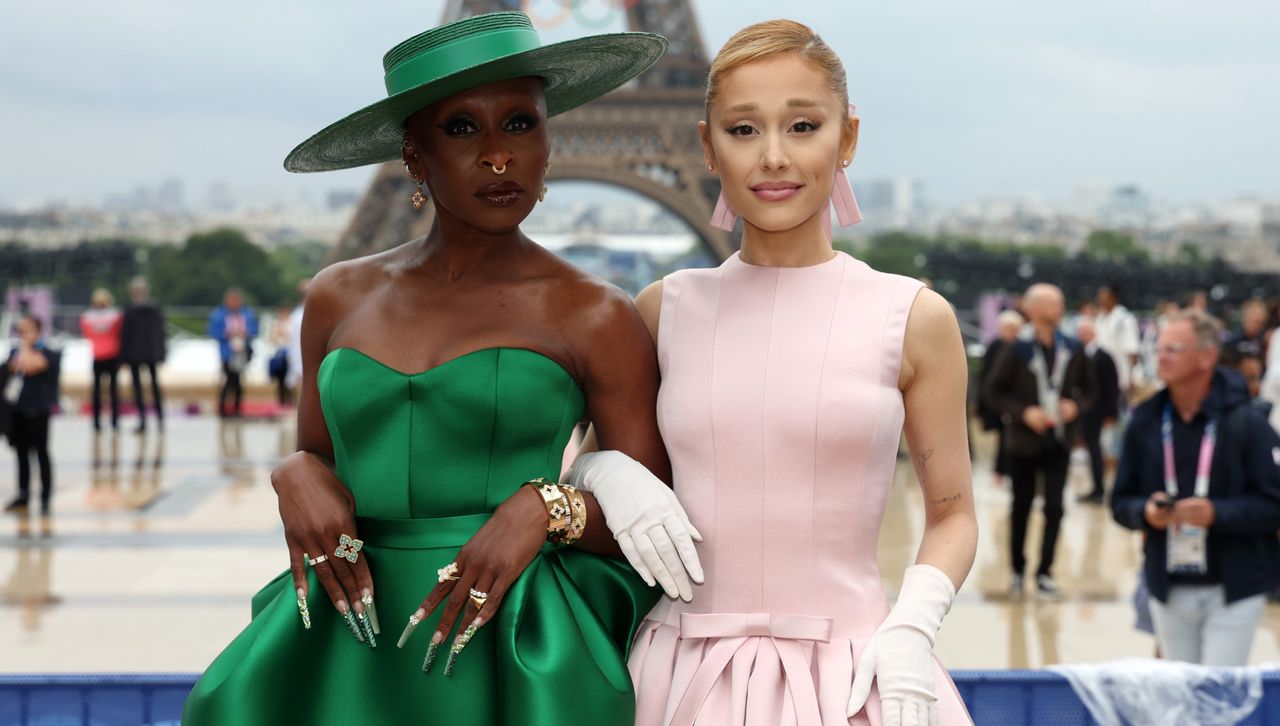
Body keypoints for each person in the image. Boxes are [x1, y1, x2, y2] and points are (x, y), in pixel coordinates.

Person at [183, 12, 674, 725]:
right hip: (344, 640)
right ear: (414, 154)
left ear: (549, 136)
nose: (500, 156)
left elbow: (652, 520)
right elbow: (318, 459)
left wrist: (546, 508)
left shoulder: (594, 313)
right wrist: (292, 473)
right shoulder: (334, 295)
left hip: (510, 641)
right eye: (463, 129)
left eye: (520, 123)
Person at [602, 20, 976, 724]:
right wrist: (600, 471)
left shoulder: (916, 318)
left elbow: (953, 512)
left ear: (849, 138)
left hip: (859, 673)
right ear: (706, 146)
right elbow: (583, 475)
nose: (774, 156)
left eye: (802, 126)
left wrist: (912, 625)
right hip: (674, 677)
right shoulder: (662, 311)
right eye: (744, 131)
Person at [1111, 309, 1280, 666]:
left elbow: (1273, 504)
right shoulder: (1146, 421)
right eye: (1159, 348)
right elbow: (1120, 501)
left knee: (1217, 698)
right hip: (1168, 584)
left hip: (1234, 587)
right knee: (1180, 699)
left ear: (1206, 356)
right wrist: (1146, 511)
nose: (1161, 356)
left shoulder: (1248, 423)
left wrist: (1218, 513)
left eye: (1173, 349)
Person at [984, 283, 1095, 599]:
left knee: (1056, 508)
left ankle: (1045, 571)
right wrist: (1023, 412)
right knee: (1020, 506)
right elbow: (994, 391)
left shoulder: (1072, 347)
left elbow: (1090, 392)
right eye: (1050, 303)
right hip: (1023, 442)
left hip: (1059, 440)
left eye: (1060, 303)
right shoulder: (1017, 348)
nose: (1057, 308)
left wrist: (1076, 406)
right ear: (1031, 309)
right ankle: (1018, 570)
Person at [5, 315, 61, 514]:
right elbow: (14, 367)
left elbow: (31, 366)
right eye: (20, 331)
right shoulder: (15, 351)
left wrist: (26, 347)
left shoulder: (49, 353)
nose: (22, 335)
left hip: (39, 410)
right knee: (21, 453)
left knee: (41, 452)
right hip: (18, 409)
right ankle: (23, 494)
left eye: (26, 330)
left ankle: (45, 496)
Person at [1076, 316, 1121, 504]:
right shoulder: (1080, 354)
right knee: (1092, 448)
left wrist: (1112, 412)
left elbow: (1112, 386)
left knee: (1096, 449)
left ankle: (1099, 489)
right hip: (1085, 410)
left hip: (1099, 410)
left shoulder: (1103, 356)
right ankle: (1096, 487)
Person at [980, 310, 1025, 487]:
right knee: (1002, 438)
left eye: (1014, 328)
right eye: (1007, 328)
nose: (1010, 332)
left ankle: (1014, 473)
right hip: (999, 400)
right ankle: (999, 472)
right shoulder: (995, 346)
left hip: (1017, 401)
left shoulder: (1022, 348)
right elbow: (987, 376)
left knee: (1016, 440)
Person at [119, 276, 166, 433]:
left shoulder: (130, 310)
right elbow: (161, 332)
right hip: (151, 352)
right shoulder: (155, 309)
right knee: (154, 386)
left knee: (139, 388)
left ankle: (143, 420)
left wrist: (123, 356)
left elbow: (125, 335)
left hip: (135, 353)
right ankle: (160, 420)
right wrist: (161, 352)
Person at [207, 288, 258, 418]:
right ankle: (223, 409)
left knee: (238, 380)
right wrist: (227, 334)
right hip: (227, 352)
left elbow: (254, 330)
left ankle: (237, 408)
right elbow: (213, 332)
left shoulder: (247, 314)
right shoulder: (219, 314)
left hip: (241, 352)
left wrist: (244, 333)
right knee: (228, 379)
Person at [79, 288, 122, 432]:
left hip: (97, 355)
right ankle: (115, 421)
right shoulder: (116, 316)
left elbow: (87, 334)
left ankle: (96, 421)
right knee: (113, 390)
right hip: (113, 354)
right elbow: (119, 333)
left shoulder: (87, 317)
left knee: (96, 391)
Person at [1223, 298, 1267, 365]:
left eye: (1261, 323)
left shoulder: (1264, 340)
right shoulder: (1232, 340)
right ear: (1246, 318)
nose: (1258, 326)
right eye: (1255, 322)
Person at [267, 305, 293, 406]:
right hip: (279, 354)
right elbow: (271, 339)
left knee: (288, 378)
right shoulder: (276, 324)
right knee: (280, 379)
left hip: (288, 354)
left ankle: (288, 399)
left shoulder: (291, 324)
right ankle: (282, 400)